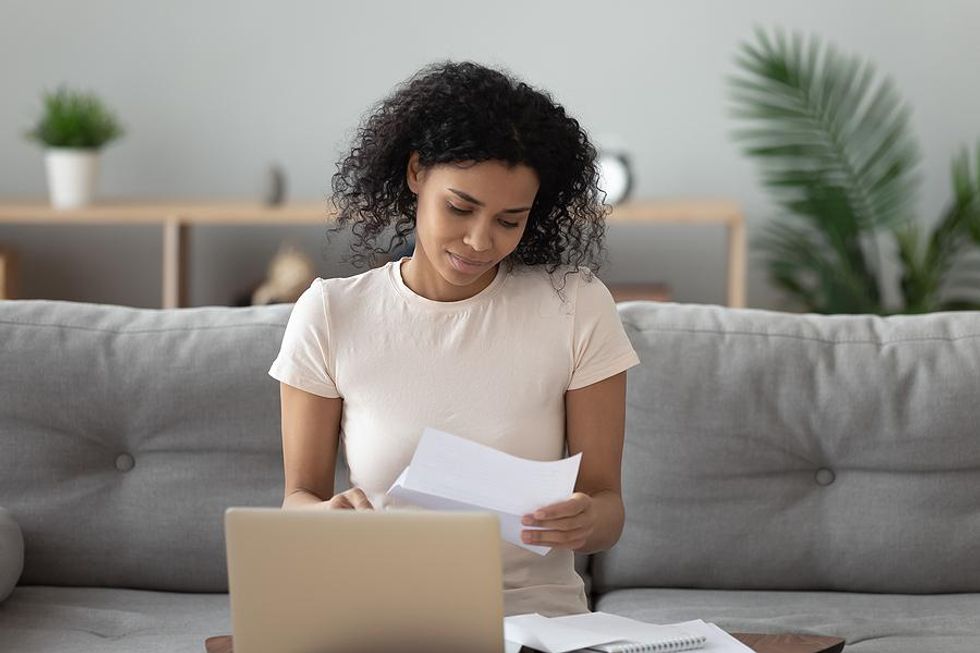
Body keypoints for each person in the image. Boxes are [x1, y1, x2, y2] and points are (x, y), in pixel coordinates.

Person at [268, 60, 640, 617]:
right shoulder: (330, 313)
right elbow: (298, 499)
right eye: (460, 207)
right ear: (417, 173)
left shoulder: (576, 306)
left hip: (533, 614)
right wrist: (326, 519)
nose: (478, 241)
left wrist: (586, 521)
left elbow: (607, 509)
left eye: (509, 220)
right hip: (381, 609)